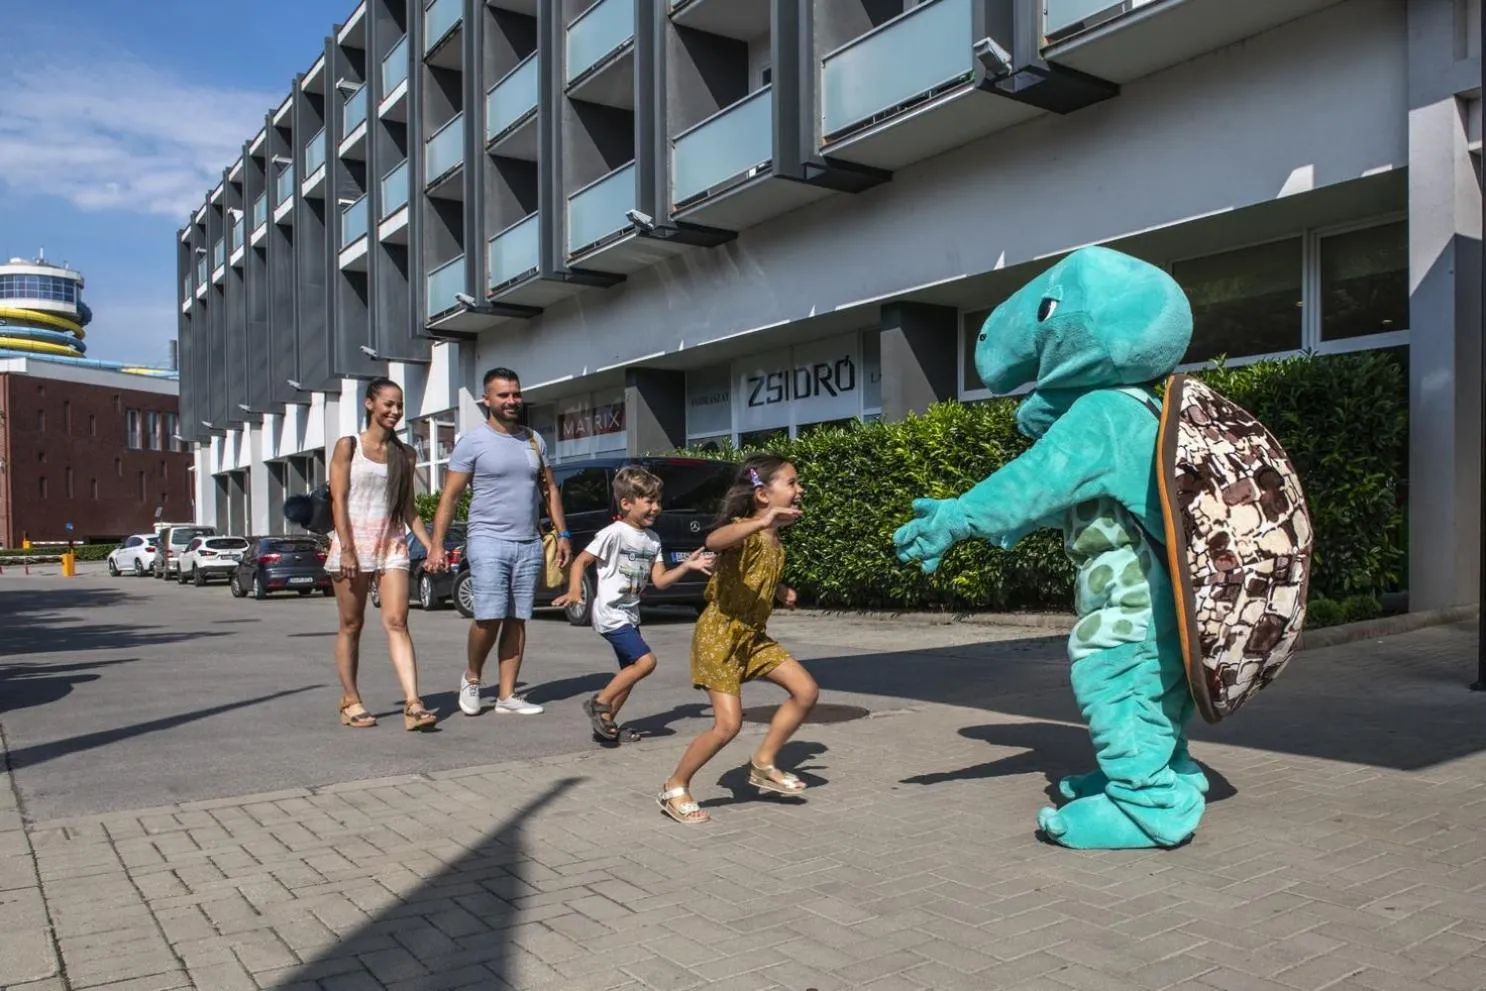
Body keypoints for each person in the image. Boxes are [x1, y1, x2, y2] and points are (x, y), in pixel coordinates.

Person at [657, 455, 819, 825]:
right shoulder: (744, 529)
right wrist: (759, 522)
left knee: (806, 691)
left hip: (753, 637)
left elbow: (755, 572)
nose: (800, 489)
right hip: (719, 635)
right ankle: (675, 785)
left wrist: (778, 589)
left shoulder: (773, 539)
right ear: (763, 495)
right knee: (727, 726)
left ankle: (762, 763)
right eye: (792, 483)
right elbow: (714, 539)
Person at [427, 368, 571, 716]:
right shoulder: (472, 443)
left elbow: (549, 488)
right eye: (503, 395)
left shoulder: (535, 440)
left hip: (528, 542)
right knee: (489, 616)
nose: (511, 401)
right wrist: (436, 544)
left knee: (518, 618)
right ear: (487, 400)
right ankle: (473, 677)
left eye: (516, 394)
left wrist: (562, 533)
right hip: (487, 538)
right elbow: (449, 497)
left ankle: (507, 696)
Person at [553, 466, 714, 742]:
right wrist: (574, 592)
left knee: (630, 672)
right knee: (646, 662)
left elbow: (661, 581)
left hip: (630, 614)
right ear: (626, 504)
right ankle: (599, 703)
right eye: (649, 501)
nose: (656, 508)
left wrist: (687, 565)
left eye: (658, 501)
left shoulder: (653, 540)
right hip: (610, 612)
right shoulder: (613, 533)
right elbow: (581, 560)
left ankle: (605, 723)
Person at [327, 378, 438, 731]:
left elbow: (408, 509)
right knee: (351, 624)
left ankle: (413, 703)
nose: (395, 411)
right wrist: (346, 549)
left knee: (397, 621)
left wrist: (433, 544)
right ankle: (350, 699)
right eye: (388, 404)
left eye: (399, 405)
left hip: (391, 542)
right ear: (370, 404)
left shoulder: (405, 454)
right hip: (353, 543)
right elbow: (338, 500)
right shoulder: (348, 447)